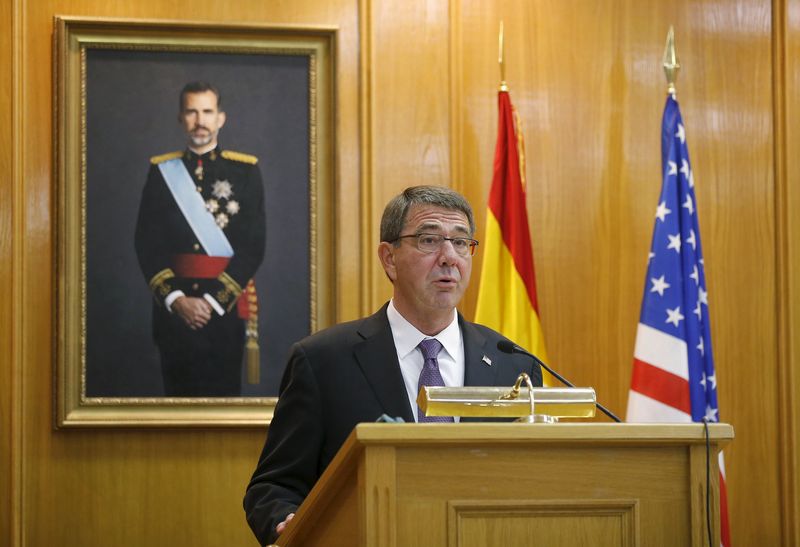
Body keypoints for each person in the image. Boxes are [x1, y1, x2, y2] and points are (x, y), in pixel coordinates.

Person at [243, 185, 542, 545]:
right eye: (429, 240)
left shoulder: (514, 366)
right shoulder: (322, 361)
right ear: (389, 258)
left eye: (462, 242)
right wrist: (286, 521)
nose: (449, 257)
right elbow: (274, 486)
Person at [134, 81, 266, 397]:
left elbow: (253, 246)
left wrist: (211, 302)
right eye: (191, 112)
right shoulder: (161, 171)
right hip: (173, 315)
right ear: (181, 118)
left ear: (221, 118)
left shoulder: (245, 172)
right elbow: (146, 244)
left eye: (207, 111)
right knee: (174, 411)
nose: (200, 120)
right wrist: (176, 300)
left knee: (223, 411)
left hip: (225, 312)